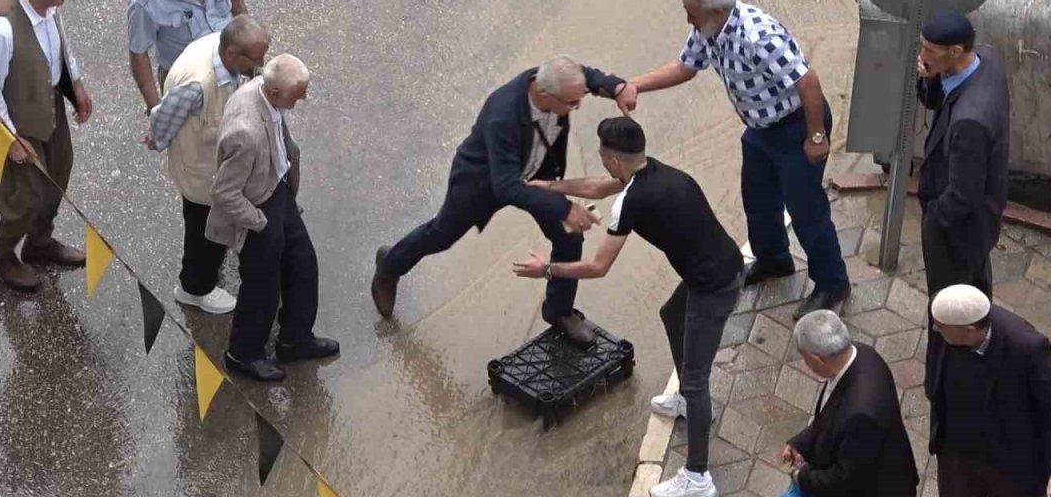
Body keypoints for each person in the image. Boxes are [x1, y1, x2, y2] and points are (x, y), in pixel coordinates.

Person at [512, 117, 746, 497]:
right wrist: (550, 187)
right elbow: (595, 186)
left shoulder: (631, 202)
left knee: (697, 379)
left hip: (714, 285)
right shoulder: (653, 170)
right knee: (672, 316)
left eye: (604, 156)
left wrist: (547, 270)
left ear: (615, 162)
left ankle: (698, 477)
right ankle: (688, 401)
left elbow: (598, 267)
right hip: (719, 264)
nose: (603, 163)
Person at [628, 0, 850, 319]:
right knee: (758, 200)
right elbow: (686, 67)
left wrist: (817, 137)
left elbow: (808, 82)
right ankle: (774, 260)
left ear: (716, 11)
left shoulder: (757, 37)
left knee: (807, 211)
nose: (687, 19)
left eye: (692, 13)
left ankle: (832, 284)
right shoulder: (709, 28)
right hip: (760, 129)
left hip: (795, 127)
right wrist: (635, 85)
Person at [370, 55, 636, 346]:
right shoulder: (503, 115)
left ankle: (558, 311)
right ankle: (390, 265)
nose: (577, 107)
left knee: (569, 239)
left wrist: (617, 86)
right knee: (441, 235)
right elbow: (507, 186)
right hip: (483, 182)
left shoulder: (557, 81)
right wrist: (566, 207)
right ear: (544, 94)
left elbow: (586, 75)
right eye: (572, 104)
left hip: (538, 173)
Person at [206, 54, 338, 381]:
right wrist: (261, 223)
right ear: (276, 93)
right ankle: (243, 354)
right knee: (262, 287)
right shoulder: (245, 133)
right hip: (258, 207)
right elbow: (224, 192)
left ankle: (294, 339)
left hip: (277, 190)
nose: (304, 98)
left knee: (303, 263)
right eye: (299, 93)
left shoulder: (267, 93)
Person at [0, 0, 92, 291]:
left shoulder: (47, 5)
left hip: (47, 104)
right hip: (14, 121)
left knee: (57, 175)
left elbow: (59, 44)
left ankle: (39, 243)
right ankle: (0, 251)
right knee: (23, 199)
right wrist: (9, 140)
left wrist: (77, 84)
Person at [148, 16, 270, 314]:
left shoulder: (223, 48)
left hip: (214, 164)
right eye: (255, 59)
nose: (261, 64)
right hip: (201, 175)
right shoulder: (198, 84)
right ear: (231, 53)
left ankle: (202, 273)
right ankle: (194, 288)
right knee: (203, 233)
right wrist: (156, 139)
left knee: (211, 229)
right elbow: (161, 121)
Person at [926, 285, 1051, 497]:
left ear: (969, 330)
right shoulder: (943, 314)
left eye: (940, 327)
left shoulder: (1027, 347)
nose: (934, 328)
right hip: (957, 451)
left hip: (1010, 461)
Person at [915, 11, 1009, 298]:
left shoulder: (970, 121)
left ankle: (951, 344)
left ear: (956, 51)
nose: (922, 55)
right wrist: (929, 77)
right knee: (977, 291)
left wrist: (934, 220)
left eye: (929, 51)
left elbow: (963, 195)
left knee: (949, 304)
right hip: (982, 220)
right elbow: (934, 102)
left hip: (958, 230)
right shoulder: (985, 61)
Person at [780, 310, 918, 497]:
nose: (805, 364)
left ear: (817, 359)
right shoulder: (862, 353)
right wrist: (800, 443)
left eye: (805, 359)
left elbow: (845, 478)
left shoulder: (860, 414)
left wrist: (801, 475)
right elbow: (829, 416)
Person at [127, 0, 249, 112]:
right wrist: (155, 109)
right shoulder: (145, 0)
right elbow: (139, 54)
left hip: (231, 67)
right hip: (188, 86)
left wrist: (249, 48)